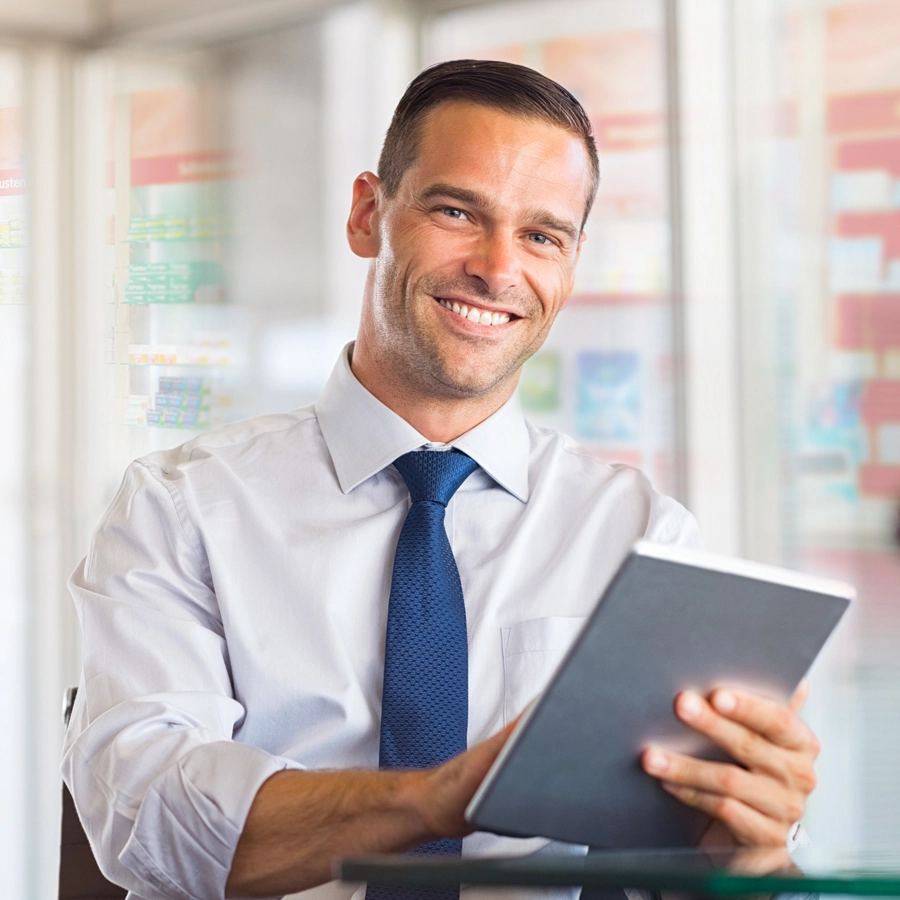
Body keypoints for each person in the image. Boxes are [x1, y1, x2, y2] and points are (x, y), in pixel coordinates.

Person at [63, 60, 820, 900]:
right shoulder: (180, 508)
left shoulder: (643, 535)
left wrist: (742, 850)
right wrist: (446, 796)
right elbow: (148, 821)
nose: (498, 270)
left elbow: (679, 873)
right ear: (366, 214)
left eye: (542, 235)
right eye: (458, 212)